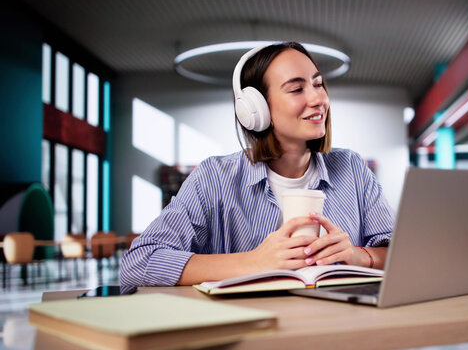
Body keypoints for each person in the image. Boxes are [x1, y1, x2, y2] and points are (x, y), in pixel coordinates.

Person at [120, 42, 394, 289]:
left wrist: (359, 256)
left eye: (319, 84)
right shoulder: (214, 179)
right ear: (256, 109)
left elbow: (404, 255)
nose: (318, 99)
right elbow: (139, 263)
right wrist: (254, 262)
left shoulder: (352, 168)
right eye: (297, 88)